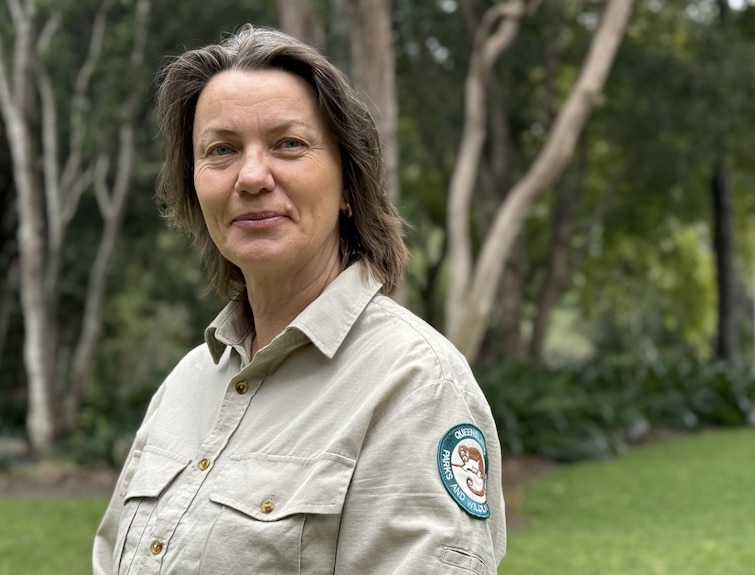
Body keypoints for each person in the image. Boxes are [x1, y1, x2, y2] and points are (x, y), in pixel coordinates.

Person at [93, 24, 506, 575]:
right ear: (194, 186)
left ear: (348, 186)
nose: (253, 176)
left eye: (289, 144)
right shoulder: (186, 386)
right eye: (222, 150)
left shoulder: (414, 385)